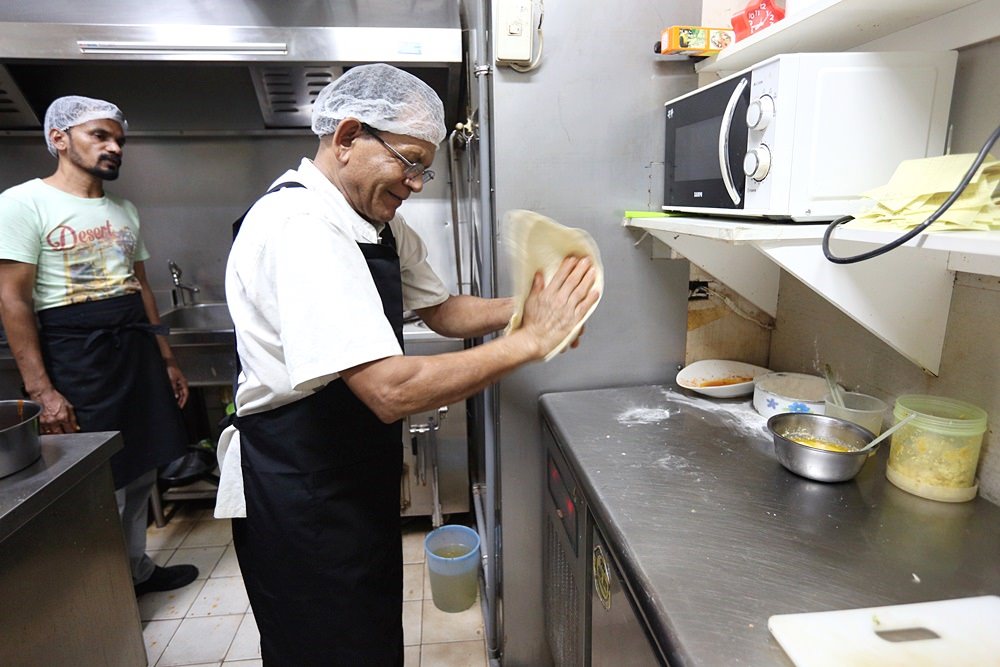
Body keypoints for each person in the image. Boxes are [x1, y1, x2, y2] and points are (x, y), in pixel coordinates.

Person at [214, 63, 599, 666]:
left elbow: (443, 310)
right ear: (346, 138)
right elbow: (388, 390)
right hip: (301, 485)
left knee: (365, 634)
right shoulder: (302, 228)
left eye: (426, 168)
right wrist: (530, 342)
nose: (418, 183)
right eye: (410, 161)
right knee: (325, 646)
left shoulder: (372, 222)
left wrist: (529, 309)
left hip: (348, 472)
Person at [0, 96, 199, 595]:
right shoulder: (22, 203)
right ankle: (100, 596)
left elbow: (142, 287)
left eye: (119, 140)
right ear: (59, 139)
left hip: (133, 347)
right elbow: (13, 299)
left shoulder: (124, 209)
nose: (114, 148)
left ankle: (136, 571)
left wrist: (167, 359)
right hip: (76, 353)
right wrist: (42, 391)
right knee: (96, 479)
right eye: (100, 136)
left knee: (141, 470)